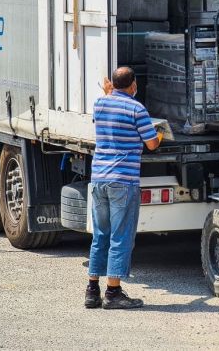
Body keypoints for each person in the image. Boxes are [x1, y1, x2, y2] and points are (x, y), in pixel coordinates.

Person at [84, 67, 162, 310]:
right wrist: (160, 134)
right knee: (120, 237)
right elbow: (151, 144)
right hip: (123, 182)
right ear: (134, 85)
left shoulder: (100, 104)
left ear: (113, 85)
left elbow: (105, 109)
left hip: (99, 179)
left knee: (100, 236)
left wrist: (108, 93)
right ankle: (114, 292)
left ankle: (92, 290)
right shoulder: (137, 109)